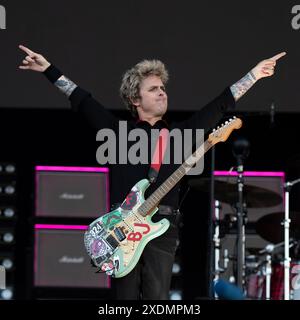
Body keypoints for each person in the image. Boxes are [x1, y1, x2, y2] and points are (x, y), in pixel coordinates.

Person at [18, 45, 286, 299]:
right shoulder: (117, 134)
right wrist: (49, 70)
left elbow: (220, 105)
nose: (162, 93)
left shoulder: (181, 135)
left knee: (157, 300)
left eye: (163, 88)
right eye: (153, 89)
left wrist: (254, 75)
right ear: (135, 99)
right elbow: (81, 100)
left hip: (162, 230)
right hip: (120, 231)